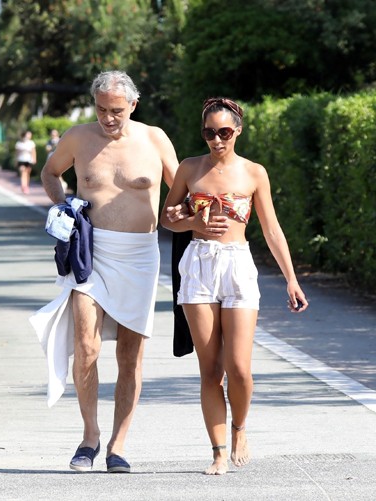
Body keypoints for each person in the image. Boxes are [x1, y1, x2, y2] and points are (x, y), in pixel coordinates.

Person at [29, 70, 213, 474]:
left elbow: (181, 189)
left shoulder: (154, 138)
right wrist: (64, 207)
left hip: (140, 255)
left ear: (133, 104)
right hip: (91, 252)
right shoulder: (78, 137)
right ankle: (89, 437)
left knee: (130, 356)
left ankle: (118, 445)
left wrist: (186, 215)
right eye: (101, 110)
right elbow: (49, 173)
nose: (108, 118)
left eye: (116, 110)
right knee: (87, 345)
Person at [161, 97, 309, 475]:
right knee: (210, 370)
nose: (216, 140)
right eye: (209, 132)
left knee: (239, 368)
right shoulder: (188, 168)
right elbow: (168, 218)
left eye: (224, 132)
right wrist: (192, 222)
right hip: (198, 266)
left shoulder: (254, 173)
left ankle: (240, 427)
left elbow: (272, 229)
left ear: (238, 131)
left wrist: (291, 279)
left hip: (238, 265)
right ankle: (218, 452)